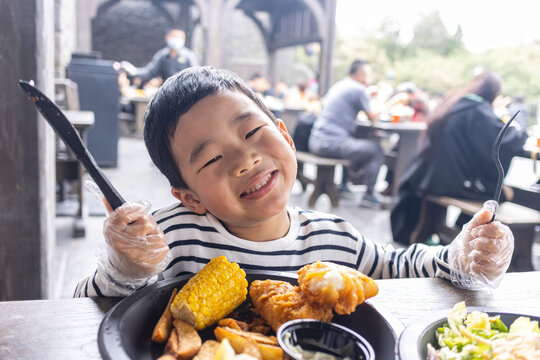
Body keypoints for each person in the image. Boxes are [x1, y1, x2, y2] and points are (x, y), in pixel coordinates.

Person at [74, 67, 514, 298]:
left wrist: (461, 256)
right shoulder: (171, 239)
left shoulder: (334, 240)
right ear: (188, 196)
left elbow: (398, 267)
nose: (245, 159)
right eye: (211, 158)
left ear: (285, 134)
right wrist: (125, 268)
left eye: (251, 132)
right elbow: (85, 305)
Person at [391, 71, 528, 245]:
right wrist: (517, 129)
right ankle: (464, 235)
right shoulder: (478, 110)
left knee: (495, 191)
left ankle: (457, 233)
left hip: (426, 177)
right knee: (502, 193)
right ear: (493, 93)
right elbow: (505, 140)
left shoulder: (453, 102)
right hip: (445, 182)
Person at [307, 60, 385, 207]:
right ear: (361, 75)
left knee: (354, 141)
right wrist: (392, 102)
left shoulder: (340, 85)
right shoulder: (358, 89)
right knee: (375, 150)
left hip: (316, 141)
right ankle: (369, 195)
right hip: (331, 144)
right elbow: (373, 117)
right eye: (369, 74)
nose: (370, 77)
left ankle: (344, 185)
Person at [120, 28, 198, 87]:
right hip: (167, 92)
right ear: (167, 38)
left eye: (180, 37)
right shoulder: (162, 55)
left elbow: (195, 76)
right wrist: (134, 71)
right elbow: (149, 73)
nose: (176, 39)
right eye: (174, 36)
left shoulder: (188, 56)